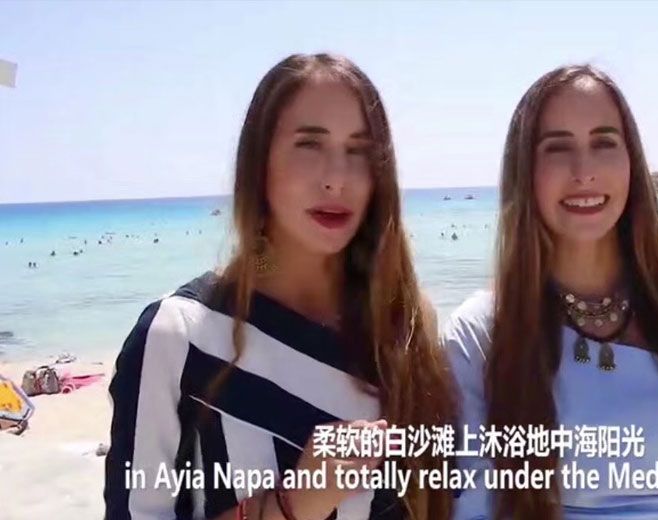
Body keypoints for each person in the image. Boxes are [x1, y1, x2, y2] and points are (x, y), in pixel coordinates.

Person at [104, 54, 456, 520]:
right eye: (309, 144)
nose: (337, 178)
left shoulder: (406, 324)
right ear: (259, 164)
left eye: (359, 151)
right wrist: (292, 505)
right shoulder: (180, 335)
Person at [443, 65, 658, 519]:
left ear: (631, 162)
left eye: (604, 143)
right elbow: (474, 507)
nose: (584, 171)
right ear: (524, 171)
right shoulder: (481, 332)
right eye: (557, 148)